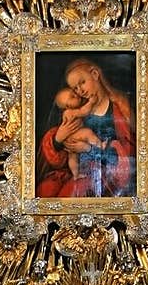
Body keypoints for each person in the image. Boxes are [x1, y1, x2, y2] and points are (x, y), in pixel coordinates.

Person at [36, 58, 135, 199]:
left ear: (95, 74)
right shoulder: (77, 108)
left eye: (82, 82)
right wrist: (58, 139)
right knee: (47, 190)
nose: (80, 91)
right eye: (75, 88)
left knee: (71, 194)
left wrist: (89, 149)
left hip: (110, 168)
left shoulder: (120, 106)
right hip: (82, 167)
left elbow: (131, 148)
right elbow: (60, 151)